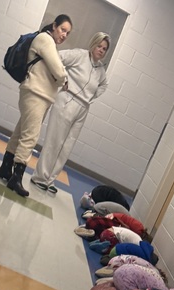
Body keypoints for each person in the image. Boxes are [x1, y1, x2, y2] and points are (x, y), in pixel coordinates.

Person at [0, 15, 72, 197]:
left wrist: (60, 77)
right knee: (30, 137)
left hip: (39, 95)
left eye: (67, 33)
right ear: (54, 26)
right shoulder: (46, 39)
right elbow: (58, 70)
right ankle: (16, 177)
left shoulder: (47, 41)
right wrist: (63, 78)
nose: (64, 35)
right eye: (62, 29)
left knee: (20, 132)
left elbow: (55, 71)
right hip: (36, 94)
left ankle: (6, 168)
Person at [30, 32, 110, 194]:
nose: (101, 50)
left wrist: (92, 96)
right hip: (67, 100)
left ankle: (50, 179)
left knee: (66, 146)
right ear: (93, 44)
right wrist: (62, 79)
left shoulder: (100, 69)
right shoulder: (79, 55)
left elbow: (103, 85)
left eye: (104, 49)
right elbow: (57, 58)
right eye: (99, 46)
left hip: (83, 108)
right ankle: (39, 177)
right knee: (54, 141)